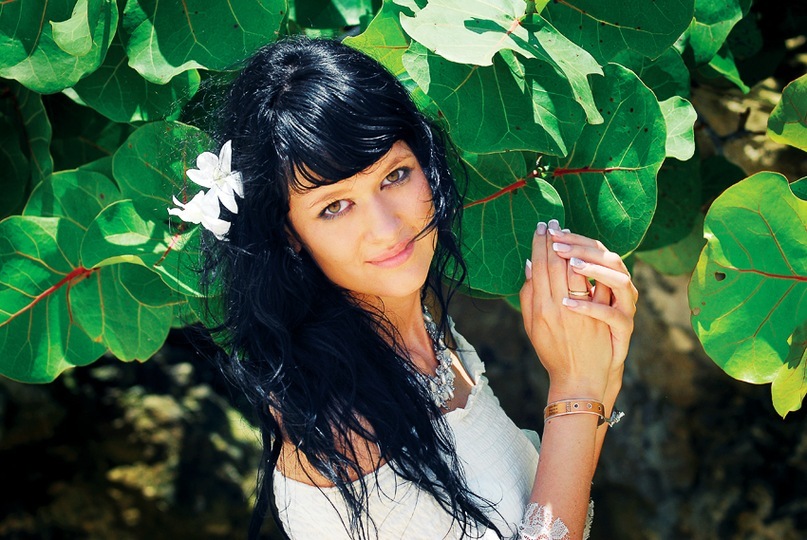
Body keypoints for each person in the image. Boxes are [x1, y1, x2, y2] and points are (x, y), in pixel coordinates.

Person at [184, 37, 637, 540]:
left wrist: (599, 374)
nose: (386, 227)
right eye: (334, 206)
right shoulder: (339, 431)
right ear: (288, 233)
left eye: (395, 175)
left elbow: (544, 500)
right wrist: (575, 389)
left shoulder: (424, 333)